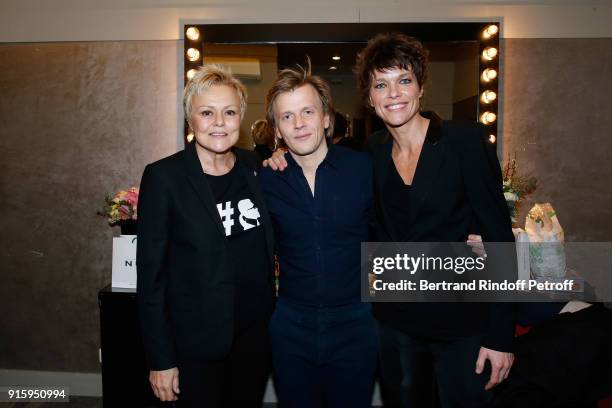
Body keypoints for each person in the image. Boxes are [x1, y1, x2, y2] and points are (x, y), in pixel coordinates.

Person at [355, 33, 515, 407]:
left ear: (421, 87)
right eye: (381, 84)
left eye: (404, 80)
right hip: (395, 326)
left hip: (462, 327)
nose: (393, 93)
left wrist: (499, 337)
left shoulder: (466, 142)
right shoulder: (372, 152)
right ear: (370, 97)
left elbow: (499, 238)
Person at [136, 65, 275, 408]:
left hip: (254, 339)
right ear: (190, 120)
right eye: (207, 112)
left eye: (229, 112)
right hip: (194, 346)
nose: (219, 122)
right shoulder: (163, 178)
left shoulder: (255, 168)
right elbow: (151, 280)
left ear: (240, 117)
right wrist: (161, 359)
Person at [260, 62, 379, 408]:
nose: (299, 124)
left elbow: (403, 224)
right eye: (287, 117)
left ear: (327, 118)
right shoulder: (266, 180)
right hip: (291, 325)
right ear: (277, 131)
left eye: (308, 112)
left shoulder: (364, 169)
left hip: (356, 323)